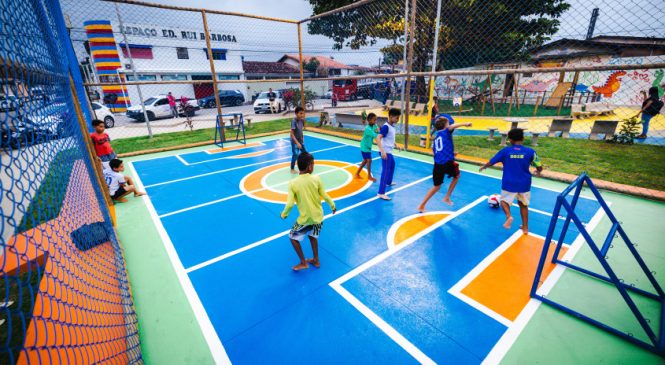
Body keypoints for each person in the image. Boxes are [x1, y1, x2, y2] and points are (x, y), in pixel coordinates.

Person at [479, 129, 543, 235]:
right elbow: (539, 165)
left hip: (509, 183)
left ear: (510, 140)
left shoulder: (505, 151)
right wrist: (538, 171)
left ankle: (509, 216)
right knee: (523, 205)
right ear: (522, 138)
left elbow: (492, 161)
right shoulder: (530, 151)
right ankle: (525, 228)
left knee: (504, 201)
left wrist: (484, 166)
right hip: (524, 183)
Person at [281, 152, 336, 271]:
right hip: (318, 218)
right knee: (313, 237)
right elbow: (325, 195)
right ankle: (316, 260)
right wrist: (332, 205)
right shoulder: (316, 179)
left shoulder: (293, 183)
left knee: (293, 238)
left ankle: (303, 262)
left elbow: (290, 204)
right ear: (309, 166)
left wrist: (284, 214)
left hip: (305, 220)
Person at [417, 115, 472, 212]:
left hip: (438, 164)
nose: (449, 125)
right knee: (457, 176)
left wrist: (451, 153)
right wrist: (465, 124)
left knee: (436, 186)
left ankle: (421, 205)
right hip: (446, 162)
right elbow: (452, 127)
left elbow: (436, 150)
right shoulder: (446, 132)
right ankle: (447, 197)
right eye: (448, 124)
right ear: (445, 126)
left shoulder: (436, 138)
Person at [377, 108, 401, 200]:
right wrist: (382, 151)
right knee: (386, 171)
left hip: (388, 151)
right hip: (385, 152)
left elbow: (389, 138)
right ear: (391, 116)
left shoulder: (392, 126)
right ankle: (381, 192)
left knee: (393, 165)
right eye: (396, 118)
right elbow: (378, 138)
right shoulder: (386, 127)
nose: (397, 120)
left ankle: (388, 182)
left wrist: (396, 144)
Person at [355, 112, 379, 181]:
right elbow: (375, 135)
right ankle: (369, 176)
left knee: (365, 160)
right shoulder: (367, 129)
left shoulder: (374, 125)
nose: (375, 121)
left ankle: (357, 173)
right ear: (369, 120)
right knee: (369, 160)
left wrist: (378, 130)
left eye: (376, 120)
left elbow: (377, 129)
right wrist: (379, 132)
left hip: (367, 146)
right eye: (374, 120)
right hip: (364, 146)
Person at [290, 106, 307, 174]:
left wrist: (302, 137)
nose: (302, 115)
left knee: (305, 153)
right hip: (294, 141)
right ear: (296, 113)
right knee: (295, 154)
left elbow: (301, 130)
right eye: (300, 113)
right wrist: (297, 143)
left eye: (303, 113)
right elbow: (292, 134)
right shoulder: (294, 121)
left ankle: (305, 166)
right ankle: (292, 168)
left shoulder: (302, 120)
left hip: (300, 140)